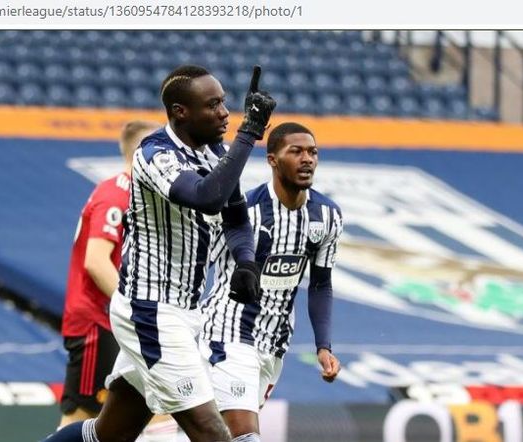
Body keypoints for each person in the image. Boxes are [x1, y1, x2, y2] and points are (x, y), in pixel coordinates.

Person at [44, 64, 276, 442]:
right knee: (211, 432)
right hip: (151, 313)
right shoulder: (154, 154)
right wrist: (248, 134)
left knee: (107, 434)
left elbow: (235, 216)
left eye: (224, 103)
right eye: (213, 105)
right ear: (180, 112)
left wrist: (245, 262)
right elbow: (208, 197)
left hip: (184, 312)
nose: (224, 113)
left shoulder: (215, 151)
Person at [200, 122, 343, 442]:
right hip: (228, 334)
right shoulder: (245, 211)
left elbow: (321, 284)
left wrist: (323, 346)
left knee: (216, 436)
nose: (307, 159)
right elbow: (207, 263)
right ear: (273, 160)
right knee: (244, 437)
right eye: (296, 151)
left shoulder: (327, 216)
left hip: (274, 343)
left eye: (313, 152)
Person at [59, 120, 158, 429]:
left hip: (111, 322)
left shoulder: (141, 196)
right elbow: (96, 261)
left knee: (112, 422)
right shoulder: (117, 194)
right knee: (82, 420)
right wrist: (133, 312)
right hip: (96, 322)